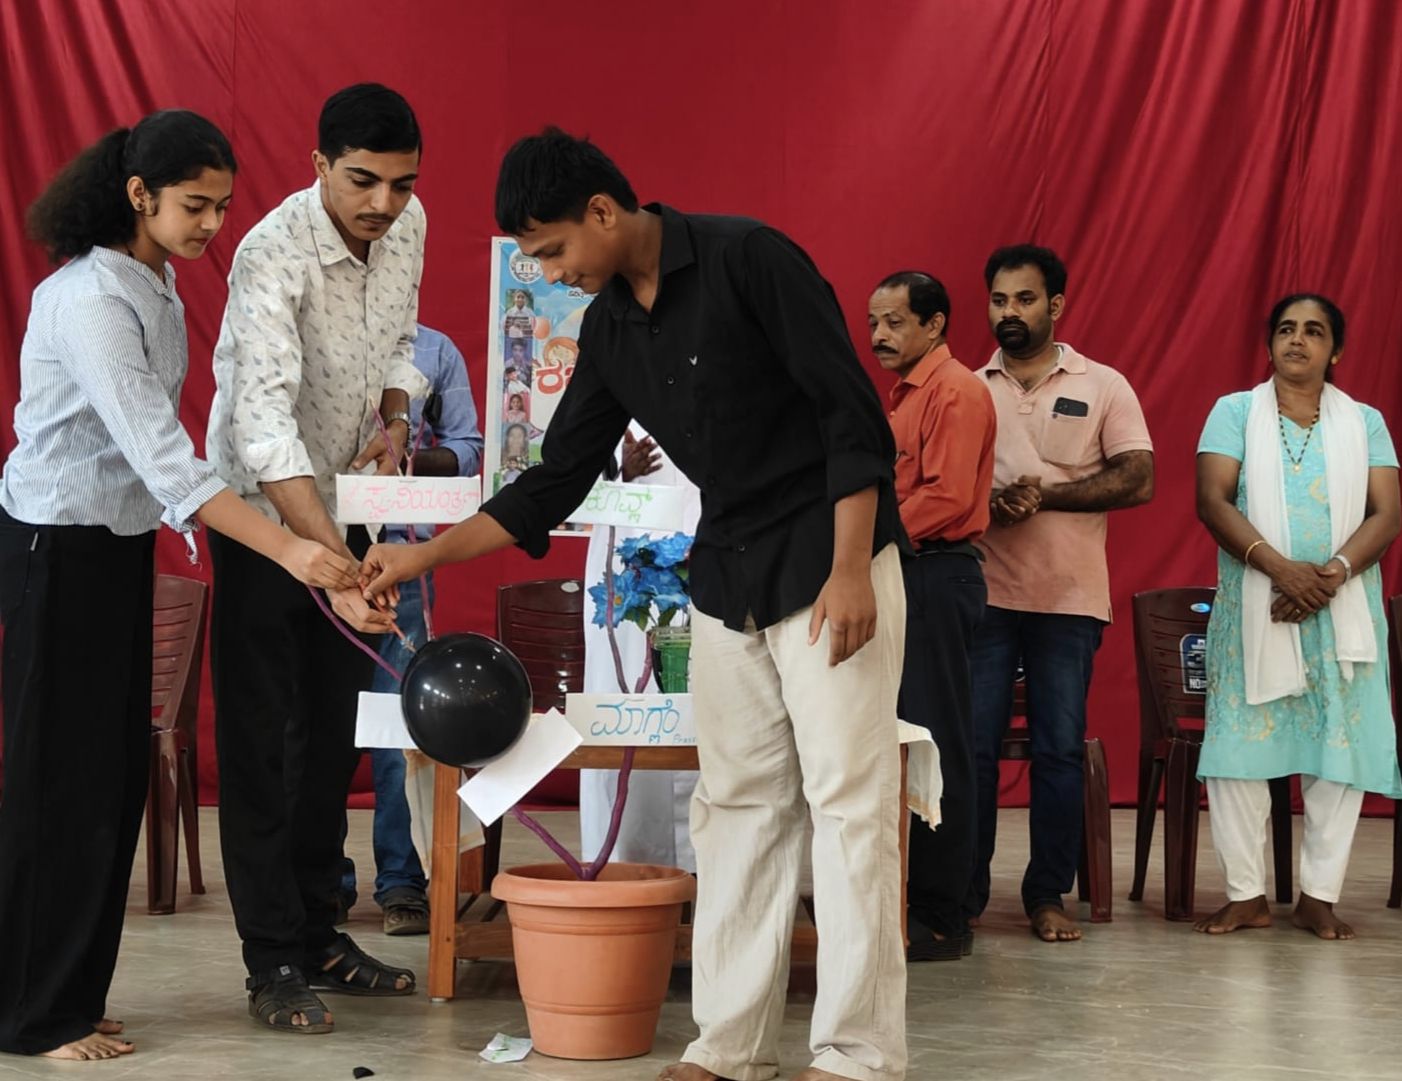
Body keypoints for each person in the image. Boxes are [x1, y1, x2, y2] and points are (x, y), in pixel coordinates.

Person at [361, 128, 909, 1081]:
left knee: (848, 806)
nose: (550, 273)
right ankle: (730, 1046)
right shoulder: (610, 330)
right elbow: (552, 481)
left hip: (830, 562)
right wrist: (422, 556)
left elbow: (849, 414)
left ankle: (857, 1052)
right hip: (728, 575)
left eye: (552, 250)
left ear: (603, 211)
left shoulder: (752, 259)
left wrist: (853, 567)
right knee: (737, 808)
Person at [0, 111, 356, 1062]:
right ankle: (33, 1015)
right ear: (138, 195)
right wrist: (292, 548)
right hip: (54, 548)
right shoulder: (90, 298)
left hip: (115, 549)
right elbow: (169, 464)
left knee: (111, 783)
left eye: (222, 207)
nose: (211, 225)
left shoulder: (153, 283)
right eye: (195, 205)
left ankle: (70, 994)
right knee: (57, 786)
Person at [205, 83, 427, 1034]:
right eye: (363, 180)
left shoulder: (410, 226)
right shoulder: (271, 252)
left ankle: (319, 931)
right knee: (264, 742)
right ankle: (272, 960)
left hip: (349, 506)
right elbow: (261, 426)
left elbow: (404, 341)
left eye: (402, 183)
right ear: (319, 166)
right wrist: (326, 560)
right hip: (265, 521)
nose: (384, 202)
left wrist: (395, 419)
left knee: (332, 736)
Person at [1193, 293, 1402, 940]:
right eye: (1286, 329)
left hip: (1342, 611)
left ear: (1335, 351)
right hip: (1257, 607)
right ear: (1269, 344)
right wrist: (1279, 569)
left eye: (1314, 331)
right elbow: (1213, 500)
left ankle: (1319, 895)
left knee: (1338, 750)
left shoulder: (1364, 422)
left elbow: (1387, 513)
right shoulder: (1234, 413)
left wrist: (1330, 575)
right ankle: (1245, 894)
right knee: (1236, 751)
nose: (1297, 340)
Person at [967, 244, 1154, 943]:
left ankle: (1048, 894)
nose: (1008, 312)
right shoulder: (967, 387)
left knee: (1057, 750)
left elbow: (1138, 478)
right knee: (972, 750)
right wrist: (990, 504)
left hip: (1069, 601)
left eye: (1023, 299)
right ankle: (963, 895)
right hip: (983, 596)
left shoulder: (1103, 385)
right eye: (998, 300)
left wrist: (1046, 496)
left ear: (1056, 305)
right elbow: (934, 482)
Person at [338, 324, 483, 934]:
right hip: (323, 555)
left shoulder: (435, 350)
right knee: (322, 724)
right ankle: (325, 881)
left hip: (403, 561)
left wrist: (405, 458)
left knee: (400, 730)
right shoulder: (318, 335)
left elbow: (469, 449)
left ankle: (402, 882)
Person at [869, 271, 996, 961]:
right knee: (907, 737)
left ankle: (943, 912)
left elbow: (946, 499)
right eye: (873, 323)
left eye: (894, 321)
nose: (880, 335)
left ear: (935, 323)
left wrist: (860, 540)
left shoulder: (955, 390)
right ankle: (907, 896)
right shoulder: (906, 395)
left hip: (935, 573)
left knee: (936, 739)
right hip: (908, 572)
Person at [578, 428, 702, 871]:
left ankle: (704, 861)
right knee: (627, 689)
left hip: (708, 550)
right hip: (625, 553)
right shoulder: (612, 395)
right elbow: (564, 480)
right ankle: (620, 860)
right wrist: (617, 472)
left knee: (703, 696)